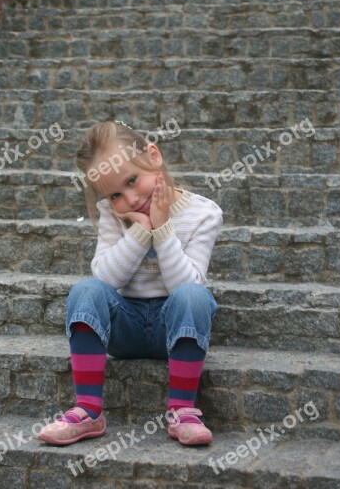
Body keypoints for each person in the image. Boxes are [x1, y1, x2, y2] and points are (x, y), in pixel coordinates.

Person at [38, 120, 223, 447]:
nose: (131, 198)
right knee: (86, 290)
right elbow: (106, 279)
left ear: (153, 156)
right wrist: (139, 231)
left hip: (175, 328)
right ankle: (88, 410)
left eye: (132, 181)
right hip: (125, 329)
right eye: (115, 194)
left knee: (195, 296)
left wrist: (162, 227)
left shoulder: (204, 213)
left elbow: (187, 284)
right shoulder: (113, 214)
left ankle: (182, 410)